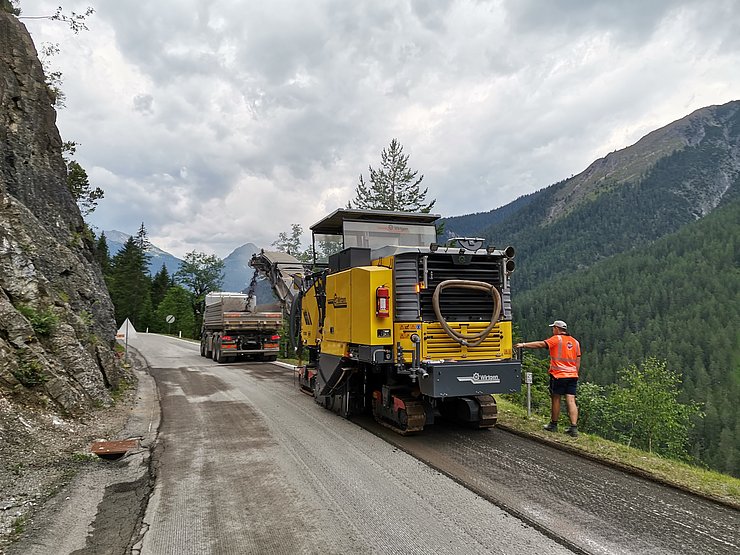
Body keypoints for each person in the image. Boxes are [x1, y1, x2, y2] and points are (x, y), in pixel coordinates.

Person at [515, 320, 581, 437]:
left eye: (553, 328)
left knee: (556, 398)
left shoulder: (556, 339)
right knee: (571, 400)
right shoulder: (575, 342)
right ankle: (574, 428)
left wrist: (523, 345)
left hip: (558, 375)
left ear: (557, 328)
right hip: (572, 375)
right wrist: (575, 372)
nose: (552, 330)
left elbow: (541, 344)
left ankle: (553, 425)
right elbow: (578, 360)